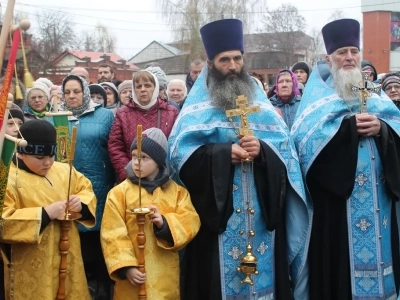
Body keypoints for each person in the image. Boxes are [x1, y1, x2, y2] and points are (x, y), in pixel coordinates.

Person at [168, 18, 310, 300]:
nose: (232, 66)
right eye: (224, 60)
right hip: (217, 220)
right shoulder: (196, 107)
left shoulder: (260, 103)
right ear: (211, 63)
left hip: (261, 215)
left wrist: (262, 151)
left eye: (237, 59)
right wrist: (221, 154)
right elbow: (178, 160)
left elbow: (286, 154)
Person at [291, 18, 400, 300]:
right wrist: (348, 130)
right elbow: (305, 151)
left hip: (381, 209)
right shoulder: (316, 102)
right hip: (337, 211)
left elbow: (396, 128)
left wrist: (383, 129)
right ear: (329, 58)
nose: (349, 57)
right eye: (342, 52)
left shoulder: (376, 94)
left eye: (354, 51)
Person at [0, 119, 97, 300]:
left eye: (51, 156)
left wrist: (80, 203)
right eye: (40, 158)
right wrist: (45, 213)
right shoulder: (6, 177)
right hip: (31, 264)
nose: (48, 163)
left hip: (69, 257)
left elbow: (86, 189)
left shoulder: (63, 170)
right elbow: (4, 220)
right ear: (21, 154)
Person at [101, 127, 200, 299]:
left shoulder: (176, 192)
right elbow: (112, 233)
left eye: (144, 158)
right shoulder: (119, 193)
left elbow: (190, 221)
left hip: (164, 274)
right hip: (132, 278)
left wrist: (165, 223)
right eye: (133, 156)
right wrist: (126, 266)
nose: (136, 163)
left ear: (158, 160)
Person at [62, 73, 115, 299]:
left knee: (99, 236)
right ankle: (81, 287)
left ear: (85, 91)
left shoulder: (104, 116)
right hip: (67, 186)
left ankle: (104, 287)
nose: (72, 96)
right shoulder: (56, 118)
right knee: (74, 238)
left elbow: (113, 149)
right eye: (67, 92)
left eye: (76, 91)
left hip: (100, 185)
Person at [108, 70, 179, 183]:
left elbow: (175, 145)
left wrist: (163, 174)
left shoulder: (171, 112)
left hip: (163, 179)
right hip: (132, 178)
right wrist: (128, 173)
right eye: (138, 86)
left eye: (147, 85)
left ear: (155, 88)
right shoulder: (123, 113)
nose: (143, 89)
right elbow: (115, 146)